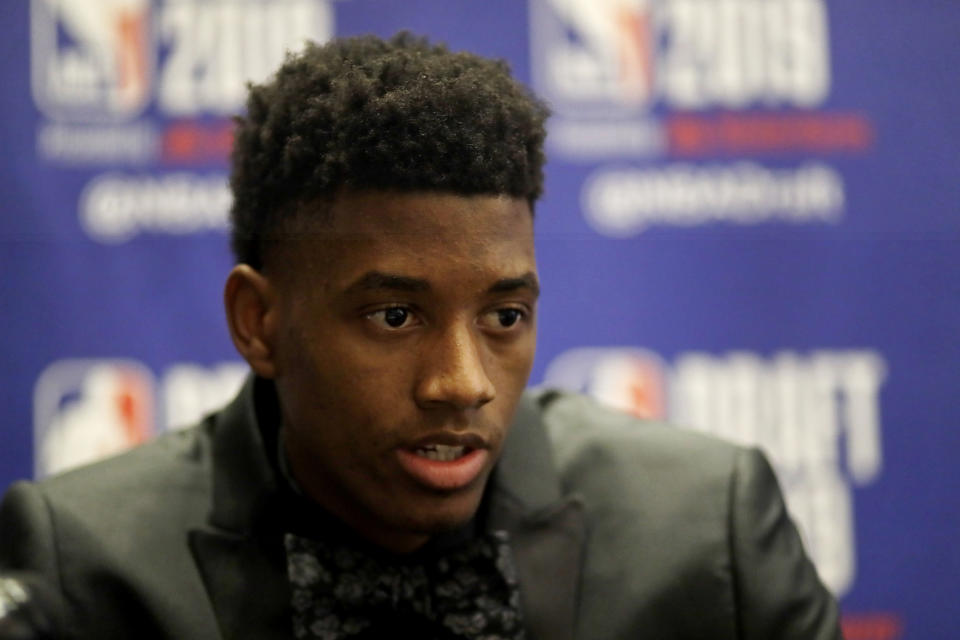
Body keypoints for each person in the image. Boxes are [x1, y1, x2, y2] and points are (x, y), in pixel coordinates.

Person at [0, 33, 841, 639]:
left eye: (504, 317)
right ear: (260, 323)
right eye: (395, 316)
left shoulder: (708, 528)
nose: (463, 382)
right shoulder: (87, 570)